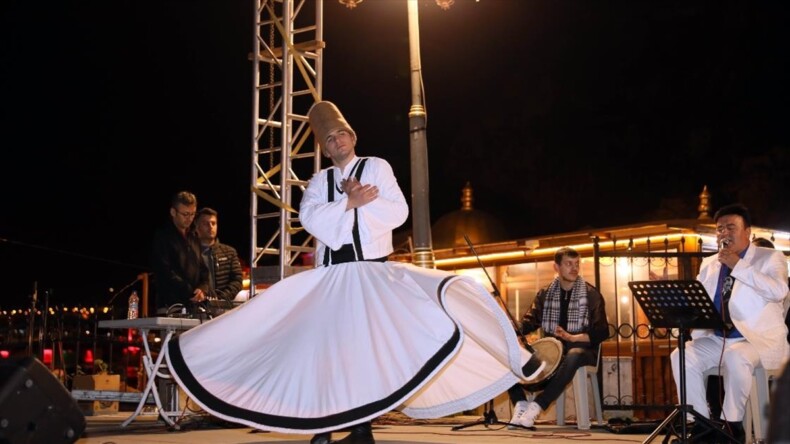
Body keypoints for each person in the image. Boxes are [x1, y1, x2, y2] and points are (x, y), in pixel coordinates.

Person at [165, 101, 544, 444]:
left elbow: (397, 213)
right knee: (325, 351)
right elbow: (311, 220)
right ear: (324, 148)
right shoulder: (318, 182)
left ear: (351, 136)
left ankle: (361, 428)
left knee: (369, 350)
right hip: (332, 278)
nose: (336, 142)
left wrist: (356, 207)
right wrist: (351, 202)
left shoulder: (376, 166)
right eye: (328, 139)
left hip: (369, 275)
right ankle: (326, 426)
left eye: (340, 134)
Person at [670, 203, 789, 443]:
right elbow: (699, 299)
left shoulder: (770, 257)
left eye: (731, 227)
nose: (724, 233)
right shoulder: (710, 262)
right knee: (681, 355)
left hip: (756, 340)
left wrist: (738, 265)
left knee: (737, 356)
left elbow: (778, 291)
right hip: (718, 338)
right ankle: (701, 424)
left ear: (748, 231)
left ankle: (731, 425)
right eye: (720, 229)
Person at [507, 246, 610, 429]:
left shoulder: (591, 294)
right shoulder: (545, 294)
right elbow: (529, 323)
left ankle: (538, 405)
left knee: (574, 354)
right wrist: (510, 327)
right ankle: (521, 404)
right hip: (552, 352)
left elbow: (602, 332)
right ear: (556, 267)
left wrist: (573, 338)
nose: (574, 268)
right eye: (568, 264)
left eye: (577, 263)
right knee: (508, 352)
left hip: (583, 351)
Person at [150, 191, 210, 312]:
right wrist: (191, 291)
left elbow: (203, 270)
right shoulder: (162, 236)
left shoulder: (194, 236)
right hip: (170, 305)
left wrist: (202, 288)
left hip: (193, 306)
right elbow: (165, 272)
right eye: (185, 214)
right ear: (173, 212)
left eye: (193, 214)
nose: (190, 219)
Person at [194, 207, 243, 310]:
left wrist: (220, 298)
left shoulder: (229, 252)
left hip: (224, 310)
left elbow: (237, 280)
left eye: (213, 223)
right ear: (197, 227)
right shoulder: (190, 253)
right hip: (197, 307)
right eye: (205, 223)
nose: (210, 226)